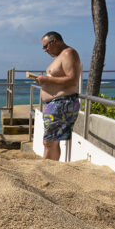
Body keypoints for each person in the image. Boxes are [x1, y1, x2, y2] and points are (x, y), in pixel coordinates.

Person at [33, 31, 82, 161]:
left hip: (62, 103)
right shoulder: (60, 56)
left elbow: (73, 80)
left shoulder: (68, 53)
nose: (44, 50)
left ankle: (49, 173)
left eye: (46, 46)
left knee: (49, 142)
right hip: (56, 104)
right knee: (50, 142)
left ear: (54, 41)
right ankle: (50, 171)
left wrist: (46, 80)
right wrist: (43, 80)